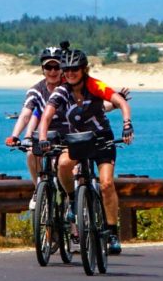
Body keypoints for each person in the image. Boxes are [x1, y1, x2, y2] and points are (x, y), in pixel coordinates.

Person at [36, 44, 133, 255]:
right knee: (63, 164)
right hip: (78, 141)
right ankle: (72, 200)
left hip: (101, 140)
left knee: (106, 184)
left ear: (84, 70)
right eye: (67, 70)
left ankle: (112, 231)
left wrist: (127, 124)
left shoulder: (94, 86)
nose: (70, 74)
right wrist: (42, 137)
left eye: (75, 69)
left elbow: (121, 102)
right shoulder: (62, 91)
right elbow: (46, 115)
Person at [5, 45, 67, 209]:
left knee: (69, 172)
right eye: (48, 67)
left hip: (68, 136)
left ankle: (74, 211)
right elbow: (26, 114)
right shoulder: (36, 90)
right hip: (45, 136)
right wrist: (15, 136)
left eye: (56, 67)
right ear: (42, 69)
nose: (52, 71)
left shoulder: (70, 88)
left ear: (62, 69)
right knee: (31, 154)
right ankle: (39, 188)